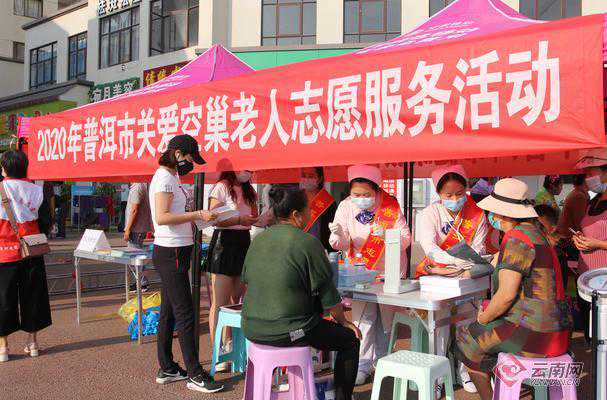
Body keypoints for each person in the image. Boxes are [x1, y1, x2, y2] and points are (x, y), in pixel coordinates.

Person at [242, 185, 362, 400]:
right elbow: (329, 296)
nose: (310, 215)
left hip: (251, 327)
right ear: (296, 215)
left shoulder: (258, 240)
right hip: (290, 330)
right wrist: (344, 322)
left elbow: (247, 279)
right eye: (308, 210)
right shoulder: (308, 243)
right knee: (350, 339)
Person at [456, 178, 572, 400]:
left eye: (493, 212)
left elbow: (506, 296)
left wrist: (483, 318)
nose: (491, 217)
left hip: (535, 334)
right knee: (487, 334)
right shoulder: (537, 234)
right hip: (559, 331)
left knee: (465, 339)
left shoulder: (516, 238)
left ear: (503, 214)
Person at [150, 135, 223, 394]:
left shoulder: (172, 177)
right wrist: (197, 214)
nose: (190, 164)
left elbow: (174, 214)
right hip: (171, 252)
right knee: (185, 313)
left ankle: (167, 367)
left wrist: (199, 218)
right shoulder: (164, 178)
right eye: (190, 158)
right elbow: (162, 216)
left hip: (176, 250)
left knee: (170, 312)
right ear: (178, 153)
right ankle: (194, 373)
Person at [329, 164, 411, 385]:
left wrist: (388, 235)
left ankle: (384, 363)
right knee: (363, 320)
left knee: (387, 322)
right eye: (356, 194)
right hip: (360, 272)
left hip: (388, 271)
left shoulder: (390, 205)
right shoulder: (346, 206)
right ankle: (362, 365)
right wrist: (338, 236)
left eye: (366, 194)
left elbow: (406, 239)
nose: (361, 198)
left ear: (377, 190)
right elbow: (341, 243)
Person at [415, 165, 488, 394]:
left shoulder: (477, 213)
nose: (455, 199)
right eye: (449, 195)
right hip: (439, 276)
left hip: (467, 275)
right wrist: (451, 261)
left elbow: (479, 247)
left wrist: (464, 264)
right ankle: (438, 378)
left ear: (466, 190)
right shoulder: (430, 213)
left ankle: (466, 372)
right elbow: (429, 246)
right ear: (439, 194)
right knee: (439, 327)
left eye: (459, 193)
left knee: (467, 323)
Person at [0, 150, 52, 363]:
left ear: (4, 168)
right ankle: (33, 343)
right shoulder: (36, 190)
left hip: (4, 252)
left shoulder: (1, 188)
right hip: (32, 251)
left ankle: (3, 347)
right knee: (33, 296)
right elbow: (46, 222)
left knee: (4, 298)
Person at [205, 170, 258, 371]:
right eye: (245, 168)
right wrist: (238, 220)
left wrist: (256, 219)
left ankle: (232, 345)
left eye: (251, 170)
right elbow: (212, 218)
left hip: (243, 241)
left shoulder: (249, 190)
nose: (248, 172)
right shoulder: (221, 187)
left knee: (236, 300)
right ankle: (217, 351)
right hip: (224, 243)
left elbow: (253, 215)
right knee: (220, 301)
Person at [570, 150, 607, 341]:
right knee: (591, 335)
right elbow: (588, 230)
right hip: (586, 279)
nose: (587, 178)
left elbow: (597, 239)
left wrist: (597, 243)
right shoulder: (592, 201)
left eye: (591, 173)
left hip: (604, 283)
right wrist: (579, 238)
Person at [124, 182, 153, 292]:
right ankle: (140, 281)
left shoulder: (137, 187)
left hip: (136, 229)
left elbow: (134, 209)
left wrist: (128, 228)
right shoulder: (140, 186)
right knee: (137, 256)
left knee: (136, 256)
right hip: (138, 228)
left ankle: (142, 282)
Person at [299, 167, 337, 252]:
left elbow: (331, 231)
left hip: (320, 249)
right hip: (299, 247)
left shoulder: (328, 201)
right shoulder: (295, 198)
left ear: (319, 179)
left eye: (311, 176)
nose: (306, 179)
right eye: (304, 175)